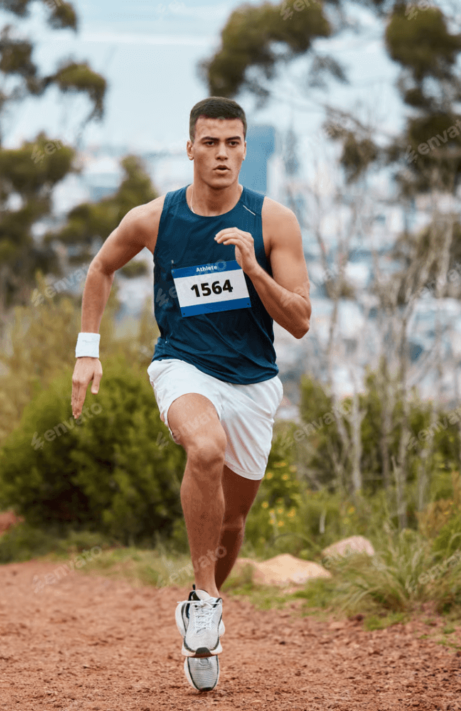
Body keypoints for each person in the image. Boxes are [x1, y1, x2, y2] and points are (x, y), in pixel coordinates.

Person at [70, 97, 311, 692]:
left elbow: (301, 320)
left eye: (232, 143)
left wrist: (255, 271)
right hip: (183, 366)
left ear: (246, 150)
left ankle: (205, 598)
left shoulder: (274, 220)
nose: (222, 154)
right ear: (190, 148)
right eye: (210, 143)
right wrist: (86, 350)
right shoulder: (154, 218)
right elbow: (100, 269)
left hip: (254, 381)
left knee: (232, 526)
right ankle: (204, 601)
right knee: (204, 449)